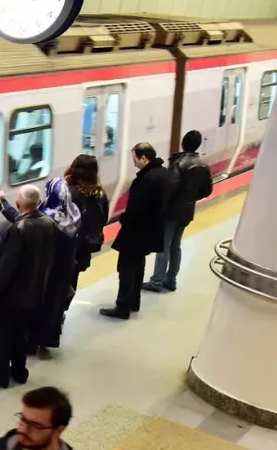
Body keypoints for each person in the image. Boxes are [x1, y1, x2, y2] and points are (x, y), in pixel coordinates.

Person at [0, 186, 55, 389]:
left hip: (11, 295)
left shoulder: (17, 230)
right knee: (21, 333)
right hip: (34, 292)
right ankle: (20, 371)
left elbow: (6, 266)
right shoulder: (48, 223)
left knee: (1, 334)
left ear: (19, 205)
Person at [100, 143, 175, 320]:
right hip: (150, 230)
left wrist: (124, 219)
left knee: (126, 268)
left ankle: (122, 307)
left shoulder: (148, 179)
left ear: (144, 158)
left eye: (135, 159)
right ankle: (134, 301)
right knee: (139, 265)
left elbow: (137, 208)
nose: (133, 163)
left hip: (136, 232)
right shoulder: (163, 174)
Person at [143, 130, 213, 293]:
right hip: (187, 211)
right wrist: (191, 198)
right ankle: (171, 279)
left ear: (183, 143)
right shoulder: (203, 165)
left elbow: (169, 188)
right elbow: (207, 190)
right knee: (176, 246)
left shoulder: (178, 164)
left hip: (171, 211)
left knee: (164, 247)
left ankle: (156, 281)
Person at [26, 177, 80, 358]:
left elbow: (25, 222)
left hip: (47, 269)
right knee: (55, 306)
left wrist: (2, 204)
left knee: (39, 306)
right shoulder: (73, 213)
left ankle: (32, 341)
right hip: (64, 269)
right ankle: (49, 339)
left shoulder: (48, 217)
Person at [65, 155, 110, 298]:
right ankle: (63, 311)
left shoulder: (67, 192)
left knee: (60, 280)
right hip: (86, 245)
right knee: (73, 279)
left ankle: (55, 314)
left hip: (67, 247)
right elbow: (103, 218)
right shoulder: (100, 194)